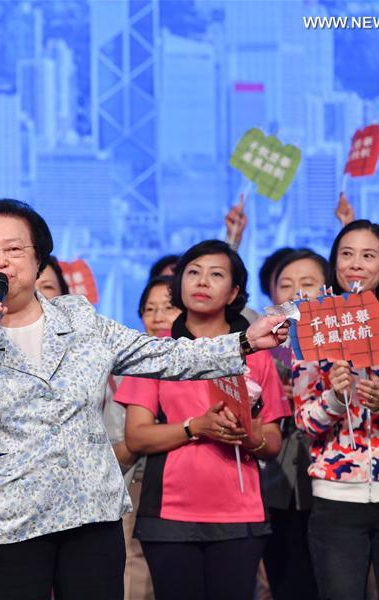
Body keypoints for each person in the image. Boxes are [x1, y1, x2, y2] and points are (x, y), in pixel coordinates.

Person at [0, 199, 289, 599]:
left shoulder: (79, 320)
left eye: (14, 249)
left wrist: (244, 342)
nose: (1, 261)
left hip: (89, 511)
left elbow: (164, 354)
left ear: (38, 261)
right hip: (8, 516)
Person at [117, 240, 288, 600]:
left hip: (241, 515)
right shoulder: (156, 349)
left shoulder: (256, 351)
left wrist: (245, 435)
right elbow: (136, 437)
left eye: (216, 274)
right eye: (193, 272)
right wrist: (195, 427)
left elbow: (272, 443)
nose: (202, 281)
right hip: (168, 514)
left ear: (234, 291)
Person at [293, 220, 379, 600]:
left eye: (368, 255)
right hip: (336, 497)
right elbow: (304, 421)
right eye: (347, 254)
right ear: (334, 262)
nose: (357, 263)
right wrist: (336, 400)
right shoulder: (313, 326)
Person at [259, 248, 330, 600]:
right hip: (277, 481)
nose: (296, 292)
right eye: (285, 284)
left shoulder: (343, 343)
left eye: (308, 283)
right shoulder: (263, 346)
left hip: (332, 484)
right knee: (286, 581)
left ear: (328, 289)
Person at [108, 274, 180, 600]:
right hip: (137, 478)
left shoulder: (200, 361)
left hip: (189, 481)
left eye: (168, 307)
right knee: (134, 560)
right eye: (149, 308)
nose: (158, 316)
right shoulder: (125, 367)